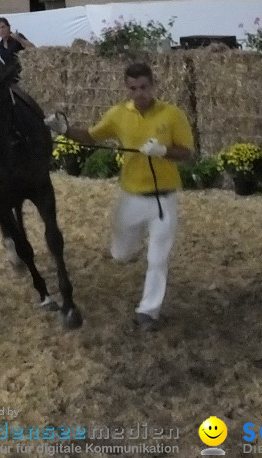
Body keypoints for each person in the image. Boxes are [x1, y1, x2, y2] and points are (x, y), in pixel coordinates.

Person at [63, 62, 194, 331]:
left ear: (153, 85)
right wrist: (63, 129)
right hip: (131, 196)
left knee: (158, 259)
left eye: (143, 87)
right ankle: (129, 251)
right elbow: (91, 136)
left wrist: (163, 151)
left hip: (163, 199)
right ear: (127, 88)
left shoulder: (172, 115)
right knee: (121, 254)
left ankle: (148, 311)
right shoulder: (117, 114)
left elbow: (187, 153)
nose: (139, 93)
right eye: (133, 88)